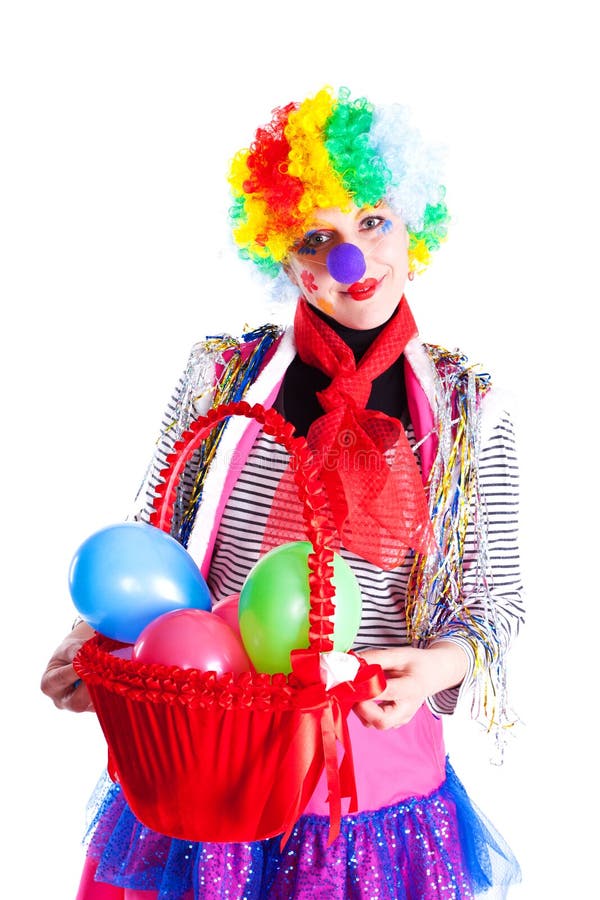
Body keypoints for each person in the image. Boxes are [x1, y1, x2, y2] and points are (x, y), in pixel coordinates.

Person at [41, 85, 524, 899]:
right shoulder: (221, 373)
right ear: (283, 254)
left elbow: (493, 607)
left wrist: (431, 669)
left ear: (412, 224)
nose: (353, 261)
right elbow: (155, 544)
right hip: (214, 750)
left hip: (368, 779)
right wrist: (98, 639)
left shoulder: (467, 407)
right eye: (317, 237)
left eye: (372, 222)